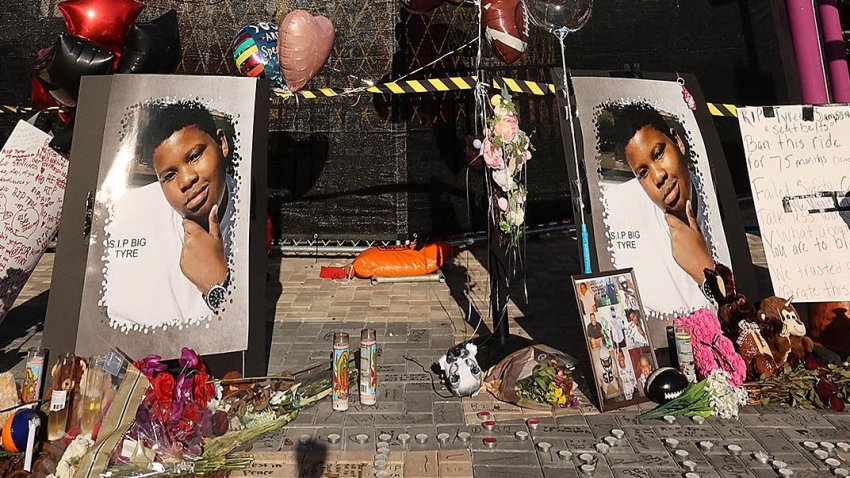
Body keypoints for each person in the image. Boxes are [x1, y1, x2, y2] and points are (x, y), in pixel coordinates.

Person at [103, 100, 237, 331]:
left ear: (222, 143)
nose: (186, 180)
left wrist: (217, 285)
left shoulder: (252, 215)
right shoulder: (125, 216)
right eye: (169, 175)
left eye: (195, 156)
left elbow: (241, 334)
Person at [598, 101, 731, 317]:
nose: (658, 176)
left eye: (659, 154)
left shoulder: (718, 197)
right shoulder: (618, 215)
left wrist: (704, 270)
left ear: (678, 141)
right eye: (642, 173)